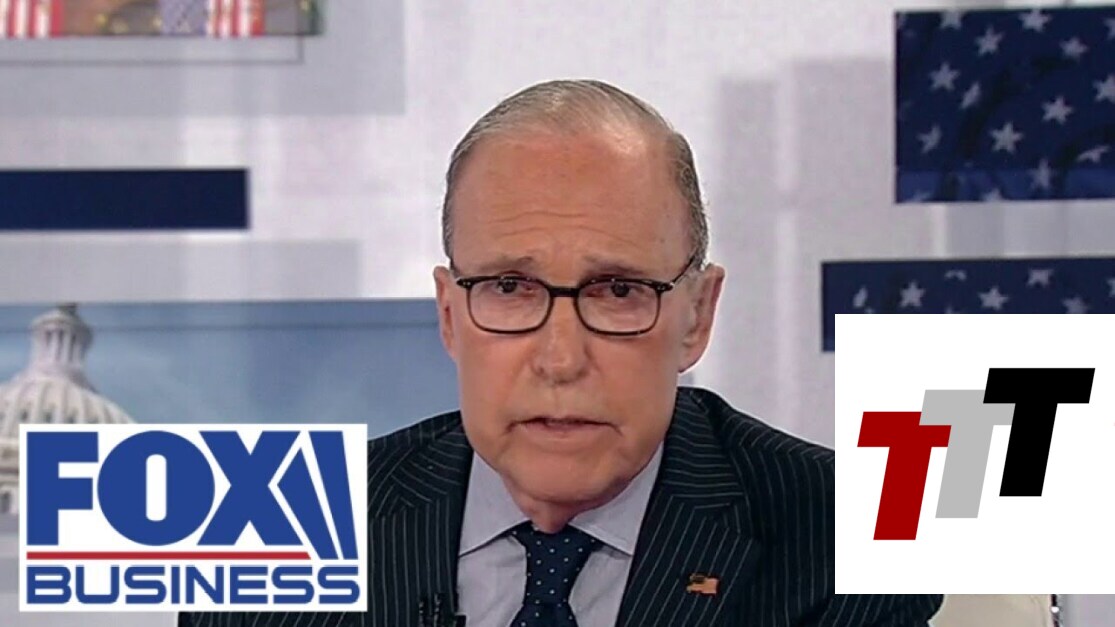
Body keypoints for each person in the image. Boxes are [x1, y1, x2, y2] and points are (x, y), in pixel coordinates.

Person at [180, 79, 942, 626]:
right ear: (449, 315)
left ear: (696, 317)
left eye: (617, 291)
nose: (559, 357)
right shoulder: (272, 540)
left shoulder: (847, 540)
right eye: (510, 287)